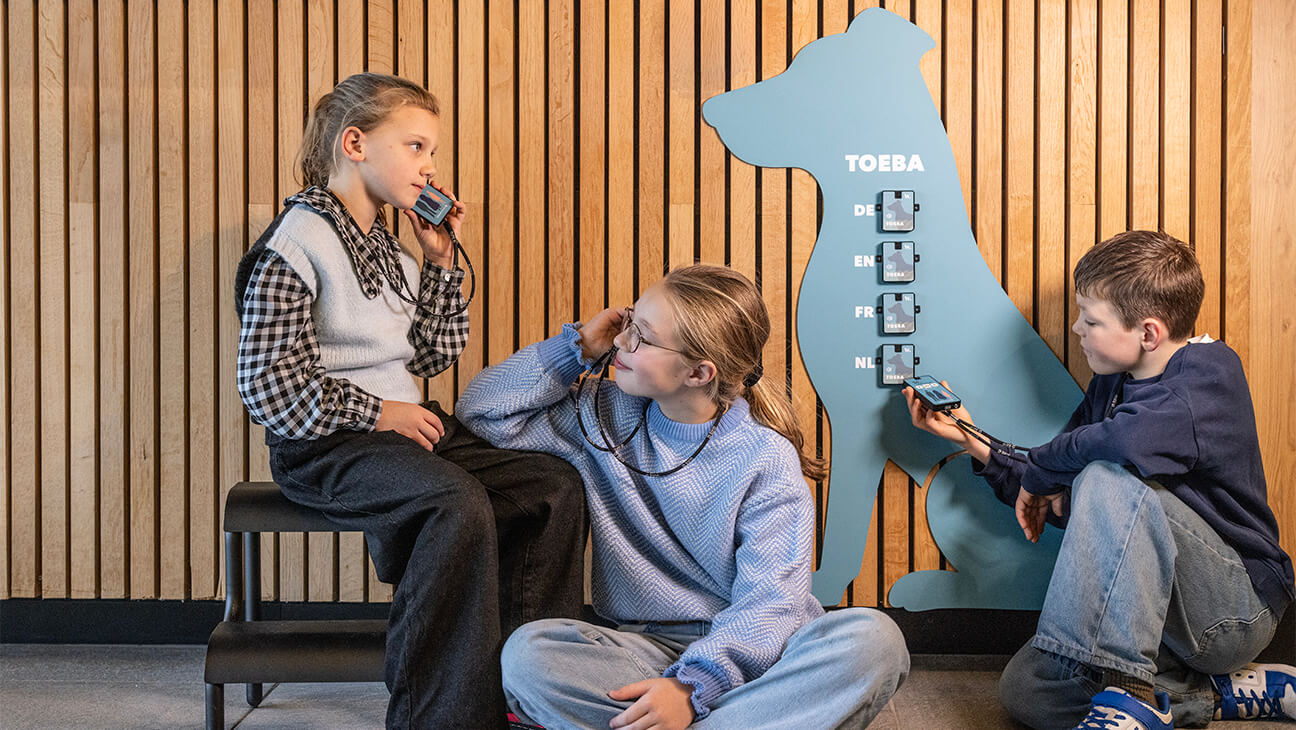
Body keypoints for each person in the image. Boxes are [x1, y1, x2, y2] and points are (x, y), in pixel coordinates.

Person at [233, 72, 587, 729]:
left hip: (401, 429)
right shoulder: (295, 244)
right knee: (454, 503)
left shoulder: (389, 247)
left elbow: (427, 357)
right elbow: (267, 386)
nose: (430, 168)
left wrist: (441, 259)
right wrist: (379, 412)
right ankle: (434, 715)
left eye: (431, 153)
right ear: (356, 144)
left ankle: (530, 692)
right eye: (417, 147)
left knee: (552, 488)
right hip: (326, 445)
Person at [456, 264, 910, 729]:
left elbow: (773, 604)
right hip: (646, 652)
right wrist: (576, 347)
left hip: (762, 654)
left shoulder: (765, 457)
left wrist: (691, 689)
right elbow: (482, 410)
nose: (620, 342)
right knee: (529, 655)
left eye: (643, 337)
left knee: (876, 641)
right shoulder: (601, 414)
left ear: (698, 372)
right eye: (629, 321)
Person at [903, 230, 1295, 729]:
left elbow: (1108, 451)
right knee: (1029, 691)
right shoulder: (1111, 385)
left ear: (1148, 333)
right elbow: (1061, 486)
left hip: (1232, 613)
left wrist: (1052, 471)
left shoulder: (1207, 376)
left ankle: (1128, 697)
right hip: (1156, 623)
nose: (1075, 328)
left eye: (1090, 320)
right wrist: (969, 437)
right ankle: (1210, 697)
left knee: (1105, 475)